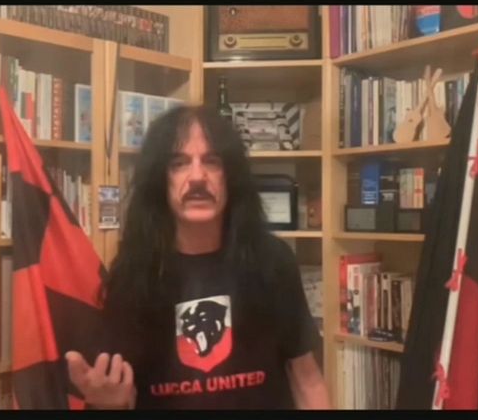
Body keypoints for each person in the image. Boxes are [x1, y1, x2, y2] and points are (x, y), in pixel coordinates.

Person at [65, 106, 330, 409]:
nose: (197, 177)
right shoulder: (132, 274)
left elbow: (308, 380)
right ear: (159, 181)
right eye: (179, 163)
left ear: (231, 177)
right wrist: (109, 405)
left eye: (211, 161)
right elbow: (119, 392)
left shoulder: (273, 261)